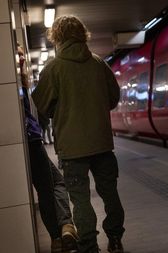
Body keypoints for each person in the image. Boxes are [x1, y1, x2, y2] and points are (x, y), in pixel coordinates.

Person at [32, 16, 125, 253]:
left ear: (57, 37)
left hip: (72, 149)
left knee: (81, 199)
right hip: (102, 143)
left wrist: (61, 111)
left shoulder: (53, 68)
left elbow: (41, 105)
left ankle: (89, 245)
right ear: (82, 34)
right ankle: (115, 239)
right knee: (110, 193)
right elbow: (114, 98)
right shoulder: (98, 63)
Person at [17, 44, 78, 253]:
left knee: (50, 185)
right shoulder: (16, 80)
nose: (22, 57)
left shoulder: (18, 83)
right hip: (31, 139)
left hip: (29, 139)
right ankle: (60, 233)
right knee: (49, 186)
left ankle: (62, 231)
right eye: (19, 54)